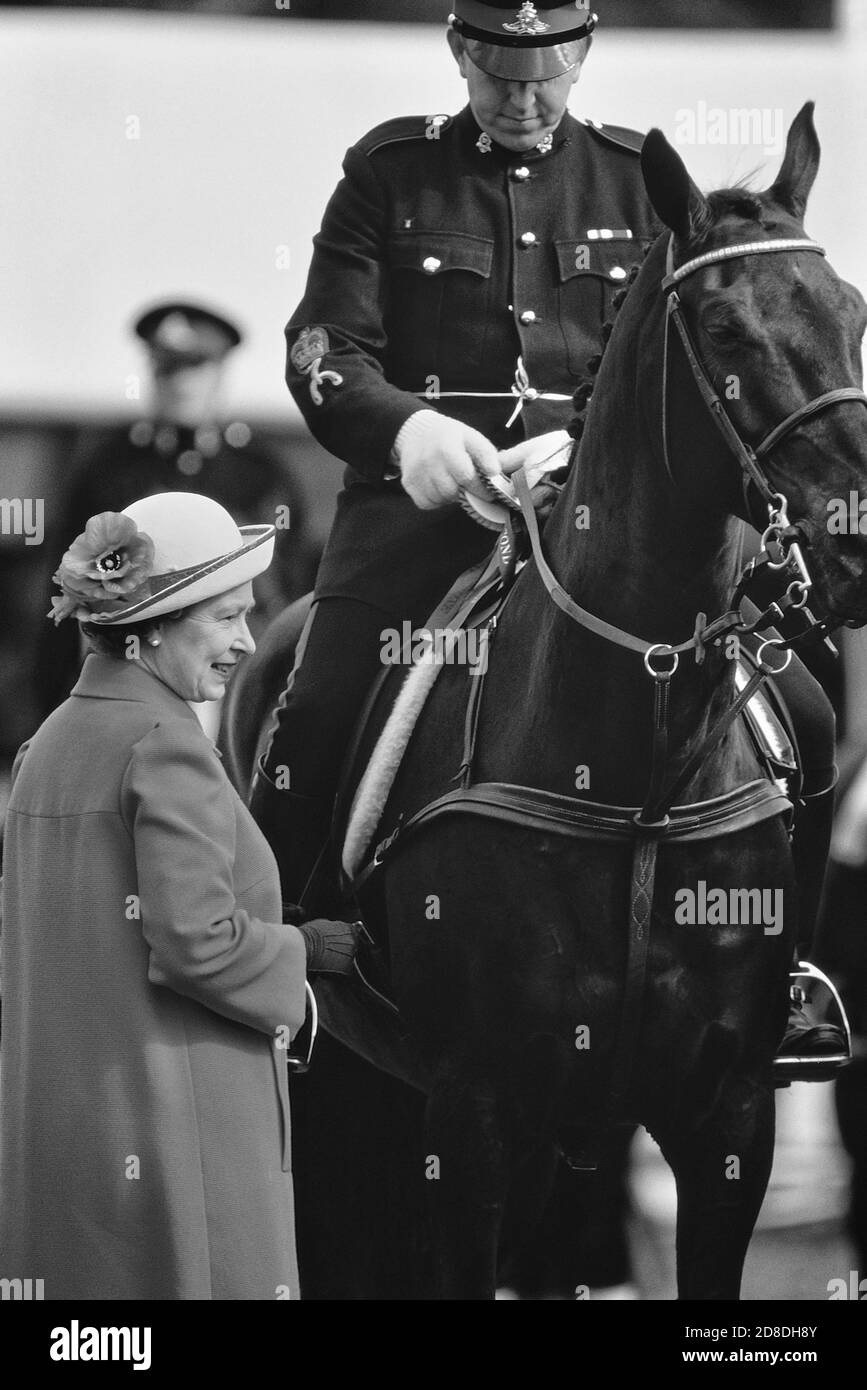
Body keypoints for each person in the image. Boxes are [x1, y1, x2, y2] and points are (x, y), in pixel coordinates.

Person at [249, 2, 843, 1071]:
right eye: (500, 78)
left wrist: (573, 442)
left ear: (582, 57)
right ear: (461, 54)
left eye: (546, 77)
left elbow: (670, 366)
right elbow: (320, 346)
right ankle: (279, 960)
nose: (524, 102)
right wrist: (410, 428)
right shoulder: (390, 172)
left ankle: (779, 978)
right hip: (422, 512)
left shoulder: (636, 180)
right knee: (322, 699)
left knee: (800, 698)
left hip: (596, 512)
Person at [0, 493, 358, 1300]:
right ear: (153, 625)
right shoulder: (166, 747)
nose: (246, 641)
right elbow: (198, 943)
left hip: (66, 1155)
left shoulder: (47, 742)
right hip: (179, 1150)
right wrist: (307, 956)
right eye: (228, 617)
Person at [35, 300, 317, 723]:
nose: (179, 384)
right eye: (167, 369)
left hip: (229, 679)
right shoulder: (107, 470)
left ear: (219, 372)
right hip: (128, 671)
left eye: (194, 367)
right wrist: (55, 700)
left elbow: (285, 594)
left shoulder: (260, 474)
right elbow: (64, 593)